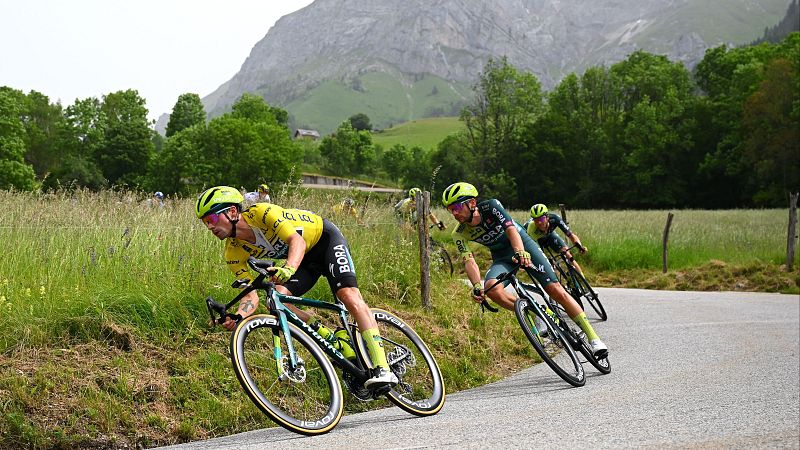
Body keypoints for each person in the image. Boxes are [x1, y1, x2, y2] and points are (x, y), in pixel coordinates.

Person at [195, 186, 398, 388]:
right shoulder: (233, 253)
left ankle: (383, 369)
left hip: (324, 241)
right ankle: (332, 339)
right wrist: (238, 317)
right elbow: (250, 297)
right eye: (205, 223)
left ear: (231, 211)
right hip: (303, 262)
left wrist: (289, 269)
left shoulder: (262, 213)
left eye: (211, 219)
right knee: (277, 301)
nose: (209, 227)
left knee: (348, 294)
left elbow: (297, 241)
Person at [441, 182, 607, 357]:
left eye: (457, 207)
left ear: (472, 203)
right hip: (502, 257)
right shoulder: (458, 233)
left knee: (556, 290)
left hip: (523, 244)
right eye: (450, 209)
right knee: (491, 288)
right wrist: (476, 285)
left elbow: (511, 229)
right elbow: (469, 261)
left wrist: (521, 252)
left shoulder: (491, 206)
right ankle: (538, 313)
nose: (454, 213)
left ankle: (593, 338)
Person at [525, 204, 586, 277]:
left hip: (549, 235)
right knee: (545, 263)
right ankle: (555, 280)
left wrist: (580, 246)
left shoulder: (555, 219)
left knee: (567, 253)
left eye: (541, 219)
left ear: (547, 217)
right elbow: (533, 248)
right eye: (535, 220)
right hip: (537, 240)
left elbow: (571, 235)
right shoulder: (531, 227)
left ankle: (583, 280)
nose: (539, 223)